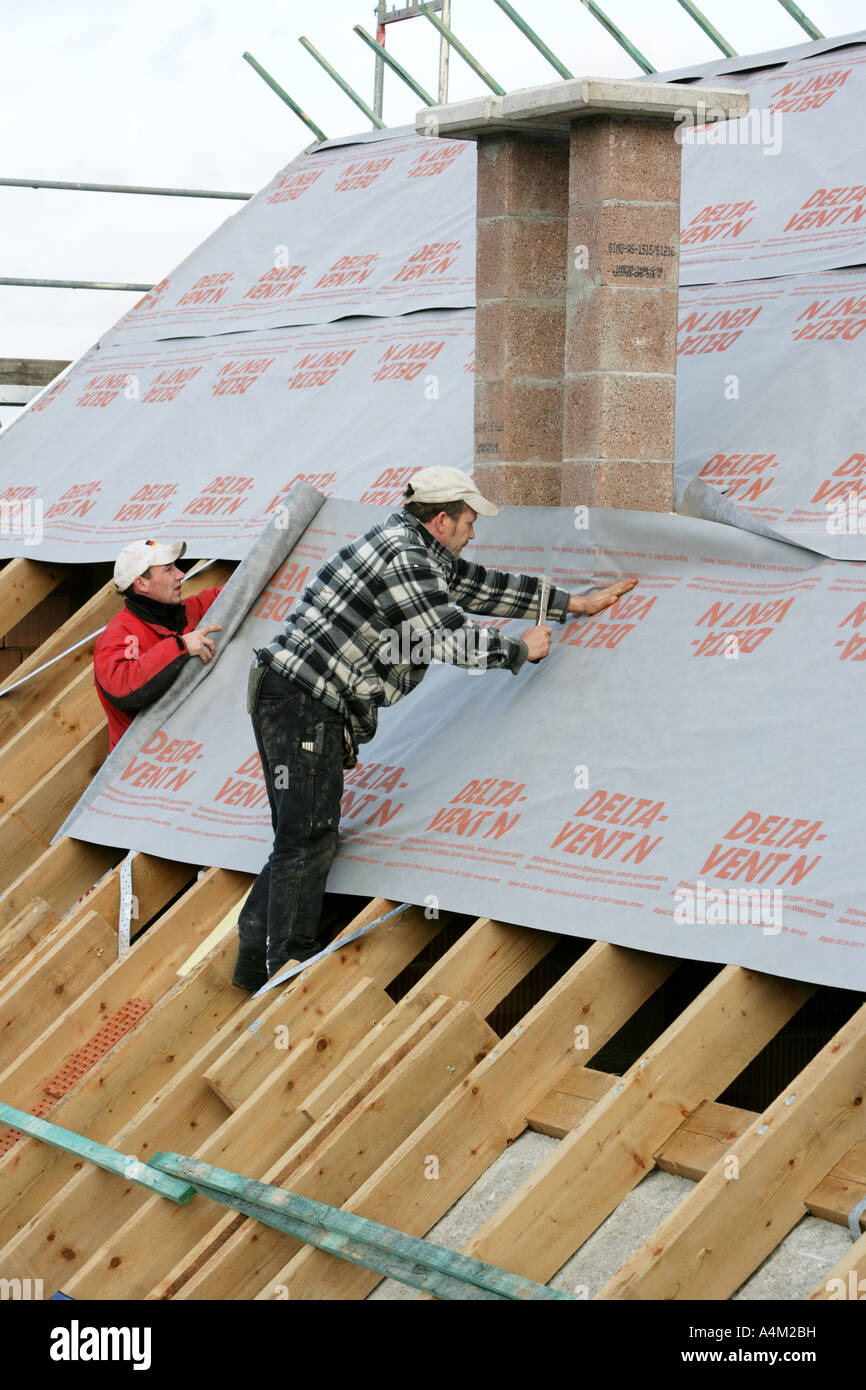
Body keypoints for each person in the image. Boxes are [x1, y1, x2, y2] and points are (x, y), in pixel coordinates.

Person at [233, 466, 637, 991]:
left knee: (299, 832)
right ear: (442, 520)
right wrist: (518, 650)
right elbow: (448, 637)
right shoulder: (406, 558)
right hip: (303, 702)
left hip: (288, 694)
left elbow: (479, 587)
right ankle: (289, 965)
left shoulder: (414, 549)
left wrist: (568, 604)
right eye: (469, 521)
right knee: (307, 835)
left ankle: (253, 962)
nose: (475, 532)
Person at [94, 539, 223, 751]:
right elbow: (124, 687)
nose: (180, 574)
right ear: (142, 584)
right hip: (142, 769)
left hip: (192, 754)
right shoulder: (120, 634)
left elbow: (243, 588)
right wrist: (181, 646)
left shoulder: (193, 610)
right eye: (169, 569)